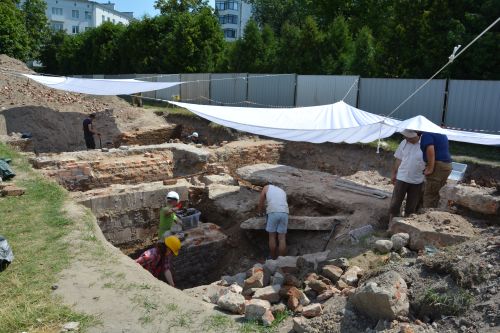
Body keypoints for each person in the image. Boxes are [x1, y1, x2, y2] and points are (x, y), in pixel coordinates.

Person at [389, 130, 426, 223]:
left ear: (417, 136)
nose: (408, 139)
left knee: (411, 207)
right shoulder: (403, 143)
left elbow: (430, 162)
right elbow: (398, 159)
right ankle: (391, 224)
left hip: (417, 180)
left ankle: (406, 226)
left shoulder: (425, 145)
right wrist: (394, 173)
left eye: (410, 138)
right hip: (402, 177)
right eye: (406, 138)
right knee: (395, 205)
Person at [420, 132, 452, 208]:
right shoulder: (440, 133)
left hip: (438, 166)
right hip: (446, 166)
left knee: (430, 194)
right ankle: (433, 213)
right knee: (436, 193)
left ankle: (426, 216)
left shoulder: (427, 134)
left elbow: (430, 149)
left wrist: (430, 168)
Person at [258, 183, 289, 259]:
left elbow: (261, 201)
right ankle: (281, 260)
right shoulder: (282, 191)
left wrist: (260, 212)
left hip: (273, 211)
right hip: (285, 212)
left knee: (272, 236)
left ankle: (273, 258)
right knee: (282, 238)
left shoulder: (266, 187)